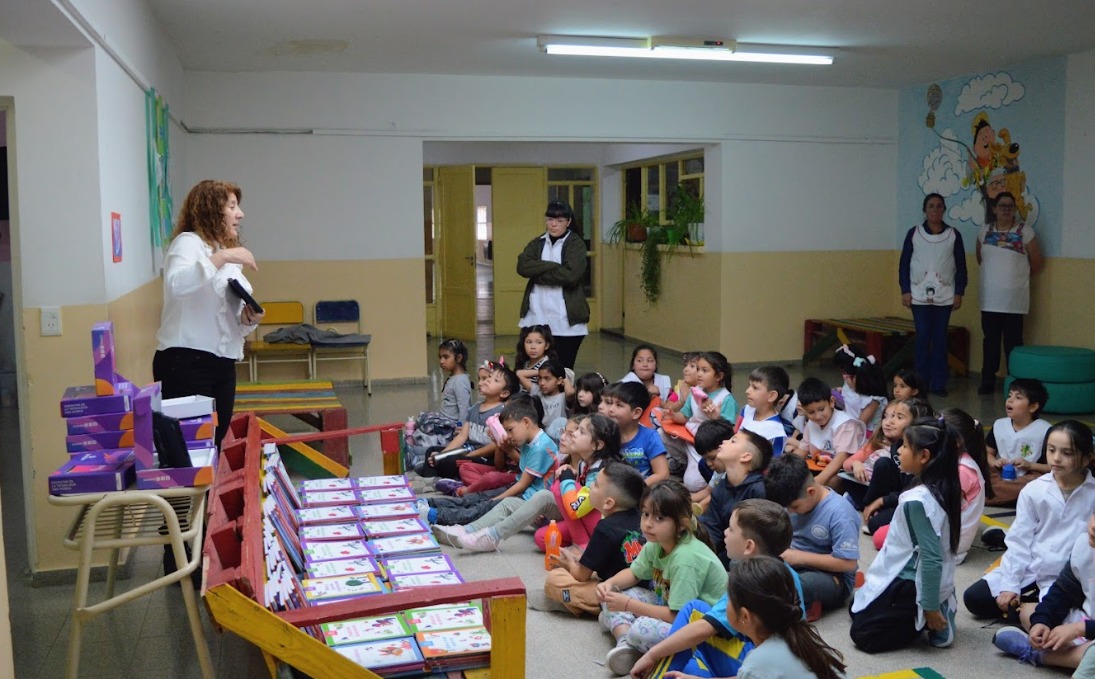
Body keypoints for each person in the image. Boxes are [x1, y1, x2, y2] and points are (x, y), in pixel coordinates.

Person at [630, 499, 803, 679]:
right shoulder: (786, 574)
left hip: (749, 659)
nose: (725, 532)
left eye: (731, 529)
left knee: (692, 617)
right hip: (761, 655)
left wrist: (652, 654)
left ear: (749, 546)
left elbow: (705, 628)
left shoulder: (749, 582)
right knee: (689, 647)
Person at [154, 179, 262, 449]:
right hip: (185, 362)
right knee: (190, 448)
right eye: (232, 207)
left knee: (214, 443)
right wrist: (223, 258)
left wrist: (246, 319)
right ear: (211, 210)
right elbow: (176, 285)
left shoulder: (221, 253)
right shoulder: (188, 243)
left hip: (222, 364)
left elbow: (224, 315)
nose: (240, 214)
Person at [963, 420, 1095, 622]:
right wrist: (1010, 585)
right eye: (1051, 450)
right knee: (975, 598)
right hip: (1034, 565)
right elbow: (1019, 540)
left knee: (1065, 611)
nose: (1056, 458)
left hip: (1071, 577)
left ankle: (1029, 611)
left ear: (1086, 459)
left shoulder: (1092, 494)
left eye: (1067, 453)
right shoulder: (1035, 490)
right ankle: (1030, 608)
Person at [850, 417, 962, 653]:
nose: (898, 451)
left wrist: (929, 608)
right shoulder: (939, 484)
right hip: (910, 570)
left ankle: (934, 616)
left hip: (913, 580)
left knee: (863, 636)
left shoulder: (918, 501)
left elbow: (931, 558)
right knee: (855, 607)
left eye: (904, 446)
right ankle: (925, 607)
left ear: (924, 456)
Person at [435, 413, 620, 552]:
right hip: (573, 516)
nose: (571, 436)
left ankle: (492, 537)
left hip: (592, 525)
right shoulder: (582, 464)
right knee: (524, 518)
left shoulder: (600, 472)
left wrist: (566, 480)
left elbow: (576, 507)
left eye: (579, 432)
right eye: (571, 432)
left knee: (546, 496)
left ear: (598, 445)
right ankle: (468, 530)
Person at [596, 480, 726, 676]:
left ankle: (629, 634)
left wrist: (628, 605)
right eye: (645, 514)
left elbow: (678, 616)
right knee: (614, 594)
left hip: (700, 631)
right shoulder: (657, 542)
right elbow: (634, 573)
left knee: (640, 628)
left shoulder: (686, 559)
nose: (648, 523)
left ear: (681, 524)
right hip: (668, 605)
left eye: (659, 518)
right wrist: (609, 584)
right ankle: (625, 643)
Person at [667, 556, 848, 679]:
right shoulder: (801, 637)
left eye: (727, 599)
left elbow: (757, 671)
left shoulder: (758, 662)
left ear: (745, 616)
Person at [418, 395, 557, 527]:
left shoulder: (541, 447)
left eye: (510, 430)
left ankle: (436, 515)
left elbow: (522, 485)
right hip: (520, 487)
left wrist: (496, 500)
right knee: (477, 498)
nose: (508, 435)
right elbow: (524, 469)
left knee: (483, 508)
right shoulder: (529, 441)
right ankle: (429, 503)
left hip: (526, 496)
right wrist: (506, 448)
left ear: (526, 422)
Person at [533, 462, 646, 616]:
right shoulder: (641, 518)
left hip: (619, 590)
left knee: (555, 580)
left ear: (608, 503)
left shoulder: (606, 527)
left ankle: (575, 603)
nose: (590, 485)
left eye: (596, 484)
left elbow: (581, 575)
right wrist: (578, 559)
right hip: (640, 585)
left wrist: (568, 563)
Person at [764, 454, 861, 621]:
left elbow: (848, 563)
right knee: (744, 564)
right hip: (792, 561)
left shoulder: (840, 513)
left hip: (831, 576)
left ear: (811, 492)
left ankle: (808, 603)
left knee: (794, 585)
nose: (790, 511)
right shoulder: (793, 499)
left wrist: (799, 557)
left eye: (794, 507)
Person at [992, 515, 1095, 671]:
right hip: (1085, 621)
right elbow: (1062, 591)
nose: (1093, 526)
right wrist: (1042, 621)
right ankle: (1069, 653)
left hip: (1086, 628)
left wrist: (1080, 629)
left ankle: (1041, 655)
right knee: (1028, 611)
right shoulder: (1084, 544)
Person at [899, 192, 968, 396]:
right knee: (922, 337)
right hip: (918, 295)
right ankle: (919, 384)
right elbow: (904, 264)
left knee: (940, 338)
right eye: (931, 206)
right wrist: (905, 290)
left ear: (944, 210)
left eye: (939, 206)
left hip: (945, 296)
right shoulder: (914, 233)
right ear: (925, 210)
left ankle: (938, 383)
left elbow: (961, 266)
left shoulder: (953, 235)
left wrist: (959, 292)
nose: (935, 210)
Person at [976, 191, 1045, 395]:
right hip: (989, 300)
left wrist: (1016, 279)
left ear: (1014, 209)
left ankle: (1016, 385)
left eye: (1010, 206)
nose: (1006, 209)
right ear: (994, 209)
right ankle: (988, 381)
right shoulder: (984, 231)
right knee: (990, 342)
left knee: (1013, 344)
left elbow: (1037, 263)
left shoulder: (1025, 232)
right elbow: (981, 259)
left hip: (1015, 301)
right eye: (1002, 206)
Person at [413, 362, 518, 491]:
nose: (487, 380)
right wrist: (443, 454)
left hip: (485, 458)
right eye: (489, 377)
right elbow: (462, 436)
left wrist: (470, 455)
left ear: (504, 393)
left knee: (453, 461)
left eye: (495, 380)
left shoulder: (502, 412)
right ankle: (431, 477)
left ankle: (437, 477)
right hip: (467, 450)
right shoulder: (474, 409)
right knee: (432, 451)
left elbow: (496, 445)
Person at [517, 200, 589, 370]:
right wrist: (554, 266)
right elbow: (523, 267)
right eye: (550, 219)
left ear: (568, 222)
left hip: (566, 320)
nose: (553, 224)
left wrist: (538, 274)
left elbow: (571, 275)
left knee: (562, 369)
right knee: (533, 368)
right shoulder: (538, 243)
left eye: (559, 220)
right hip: (537, 314)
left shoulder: (576, 244)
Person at [661, 351, 737, 494]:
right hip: (688, 440)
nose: (699, 374)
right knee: (661, 434)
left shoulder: (726, 399)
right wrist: (673, 415)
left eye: (704, 370)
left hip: (705, 447)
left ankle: (693, 466)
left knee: (692, 485)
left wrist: (716, 417)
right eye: (698, 369)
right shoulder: (695, 392)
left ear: (719, 376)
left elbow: (728, 433)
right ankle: (684, 463)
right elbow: (685, 416)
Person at [858, 398, 934, 538]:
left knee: (875, 525)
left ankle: (878, 511)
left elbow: (912, 492)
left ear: (916, 423)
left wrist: (883, 501)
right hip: (897, 494)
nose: (891, 421)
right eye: (892, 415)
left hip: (910, 500)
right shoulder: (897, 443)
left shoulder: (920, 453)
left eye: (899, 417)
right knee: (882, 463)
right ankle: (870, 508)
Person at [697, 424, 771, 567]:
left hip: (752, 560)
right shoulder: (721, 487)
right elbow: (713, 529)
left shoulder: (760, 491)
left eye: (733, 441)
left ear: (746, 456)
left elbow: (758, 542)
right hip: (726, 551)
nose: (724, 442)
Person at [783, 377, 866, 489]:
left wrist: (819, 480)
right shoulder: (811, 424)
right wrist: (785, 467)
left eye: (821, 409)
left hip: (844, 471)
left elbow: (842, 457)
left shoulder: (844, 424)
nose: (818, 416)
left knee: (831, 482)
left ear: (831, 402)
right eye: (811, 412)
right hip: (819, 467)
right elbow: (802, 450)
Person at [984, 377, 1051, 506]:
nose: (1010, 400)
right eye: (1009, 396)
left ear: (1033, 406)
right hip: (1001, 473)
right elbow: (987, 453)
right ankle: (1004, 494)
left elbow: (1051, 467)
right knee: (978, 470)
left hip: (1030, 475)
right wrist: (995, 462)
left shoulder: (1045, 430)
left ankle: (986, 495)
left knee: (1038, 482)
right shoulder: (999, 425)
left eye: (1018, 397)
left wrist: (1030, 466)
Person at [940, 408, 993, 564]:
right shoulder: (954, 460)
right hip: (947, 537)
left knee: (883, 535)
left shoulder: (963, 470)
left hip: (950, 547)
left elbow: (939, 506)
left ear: (956, 442)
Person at [600, 382, 670, 486]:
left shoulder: (650, 437)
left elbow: (662, 474)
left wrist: (636, 489)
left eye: (619, 405)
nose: (611, 409)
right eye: (611, 403)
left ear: (636, 413)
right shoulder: (606, 434)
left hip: (642, 491)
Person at [833, 345, 888, 435]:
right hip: (848, 424)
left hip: (864, 434)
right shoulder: (851, 383)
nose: (844, 378)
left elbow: (860, 425)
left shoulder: (872, 400)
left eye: (847, 376)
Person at [736, 366, 790, 457]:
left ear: (772, 396)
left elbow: (773, 462)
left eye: (755, 387)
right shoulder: (747, 409)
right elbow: (735, 433)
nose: (747, 391)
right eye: (749, 385)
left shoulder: (775, 432)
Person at [436, 338, 471, 421]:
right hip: (444, 418)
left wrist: (460, 426)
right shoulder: (454, 377)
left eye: (446, 357)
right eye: (440, 357)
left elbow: (465, 410)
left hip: (452, 424)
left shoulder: (460, 381)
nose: (441, 361)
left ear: (459, 358)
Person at [514, 325, 556, 394]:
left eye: (539, 342)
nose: (533, 347)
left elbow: (538, 393)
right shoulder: (525, 363)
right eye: (529, 342)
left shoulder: (547, 364)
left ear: (546, 345)